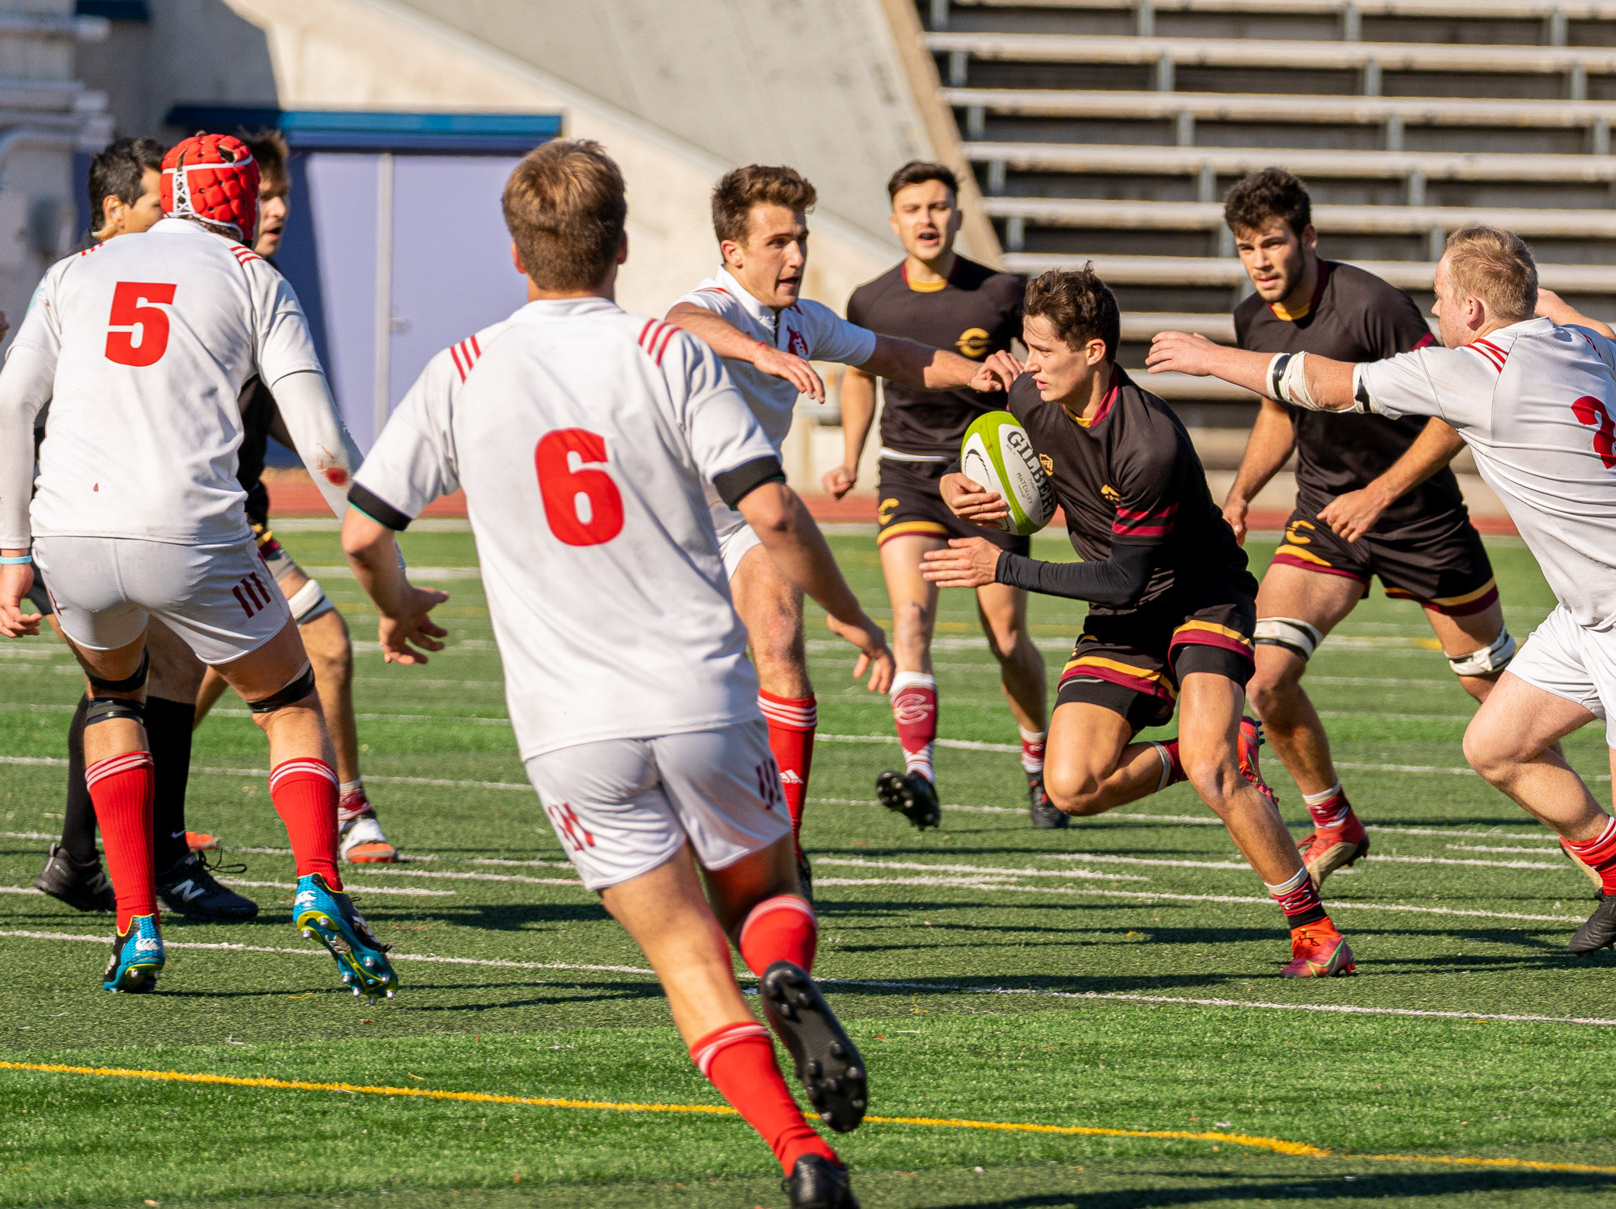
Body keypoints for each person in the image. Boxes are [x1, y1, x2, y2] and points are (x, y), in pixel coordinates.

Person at [340, 140, 884, 1209]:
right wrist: (853, 618)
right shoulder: (664, 352)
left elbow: (363, 530)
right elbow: (770, 511)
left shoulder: (461, 368)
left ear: (514, 253)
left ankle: (801, 1157)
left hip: (568, 729)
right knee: (769, 893)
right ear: (625, 244)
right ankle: (785, 969)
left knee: (688, 965)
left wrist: (397, 604)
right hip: (698, 695)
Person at [1147, 227, 1616, 996]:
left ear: (1471, 307)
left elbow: (1324, 382)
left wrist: (1208, 357)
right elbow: (1602, 333)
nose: (1431, 309)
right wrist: (1536, 296)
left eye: (1438, 297)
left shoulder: (1477, 370)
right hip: (1595, 609)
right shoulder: (1577, 346)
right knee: (1495, 743)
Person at [0, 133, 394, 997]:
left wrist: (12, 552)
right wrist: (374, 538)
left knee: (111, 698)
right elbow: (321, 445)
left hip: (69, 532)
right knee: (288, 703)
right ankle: (320, 881)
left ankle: (136, 921)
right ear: (241, 201)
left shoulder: (74, 273)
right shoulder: (253, 278)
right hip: (193, 533)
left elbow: (9, 404)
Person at [923, 266, 1356, 979]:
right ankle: (1191, 751)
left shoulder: (1146, 439)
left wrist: (1000, 567)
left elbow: (1123, 574)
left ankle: (1313, 931)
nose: (1026, 365)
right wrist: (955, 482)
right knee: (1071, 786)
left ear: (1093, 351)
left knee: (1221, 772)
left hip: (1200, 597)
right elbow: (973, 444)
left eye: (1041, 349)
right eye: (1025, 347)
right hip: (1124, 612)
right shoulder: (1035, 393)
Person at [664, 165, 1011, 850]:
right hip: (665, 517)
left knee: (781, 638)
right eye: (777, 244)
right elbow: (683, 320)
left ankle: (784, 849)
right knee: (683, 693)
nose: (796, 257)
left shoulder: (804, 321)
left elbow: (895, 355)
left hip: (740, 515)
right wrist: (758, 353)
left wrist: (970, 370)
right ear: (732, 253)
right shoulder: (721, 306)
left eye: (801, 240)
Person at [1218, 169, 1512, 882]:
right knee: (1265, 678)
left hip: (1419, 520)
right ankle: (1334, 821)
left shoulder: (1374, 304)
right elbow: (1278, 409)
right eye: (1245, 246)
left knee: (1499, 698)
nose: (1260, 259)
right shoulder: (1251, 316)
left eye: (1273, 242)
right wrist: (1239, 493)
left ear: (1308, 237)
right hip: (1325, 518)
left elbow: (1455, 406)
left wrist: (1380, 493)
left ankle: (1605, 846)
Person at [24, 136, 259, 923]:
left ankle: (92, 855)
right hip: (128, 512)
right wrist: (14, 549)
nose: (174, 219)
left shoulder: (198, 277)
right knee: (153, 672)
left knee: (129, 677)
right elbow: (21, 408)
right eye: (161, 204)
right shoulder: (88, 284)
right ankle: (152, 859)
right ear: (113, 212)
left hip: (174, 509)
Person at [191, 128, 400, 865]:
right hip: (200, 529)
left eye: (281, 195)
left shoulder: (255, 284)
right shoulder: (227, 289)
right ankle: (346, 814)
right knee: (318, 644)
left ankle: (132, 821)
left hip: (235, 529)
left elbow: (298, 426)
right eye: (263, 194)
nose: (274, 209)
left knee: (200, 672)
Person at [826, 161, 1056, 828]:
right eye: (912, 208)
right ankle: (920, 773)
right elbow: (859, 377)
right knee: (910, 620)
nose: (926, 218)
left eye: (938, 205)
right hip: (906, 476)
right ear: (893, 220)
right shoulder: (870, 300)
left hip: (988, 483)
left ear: (957, 214)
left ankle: (1038, 769)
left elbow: (1038, 368)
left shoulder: (1001, 293)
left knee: (1008, 639)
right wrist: (847, 456)